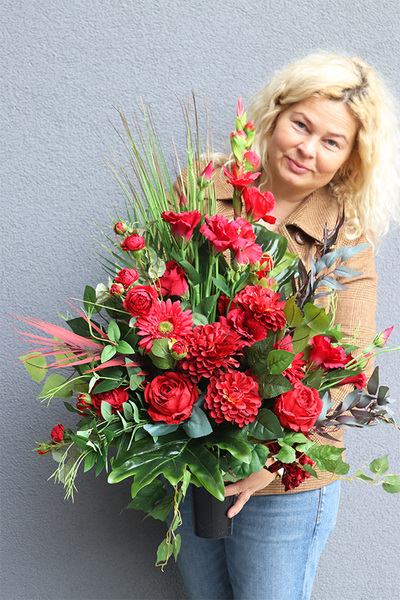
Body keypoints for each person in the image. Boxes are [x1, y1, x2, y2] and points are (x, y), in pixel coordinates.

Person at [173, 52, 400, 600]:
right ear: (274, 114)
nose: (307, 148)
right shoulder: (205, 184)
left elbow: (349, 375)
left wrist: (267, 464)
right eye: (301, 125)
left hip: (285, 482)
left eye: (332, 141)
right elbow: (161, 305)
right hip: (191, 457)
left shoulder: (346, 234)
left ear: (349, 160)